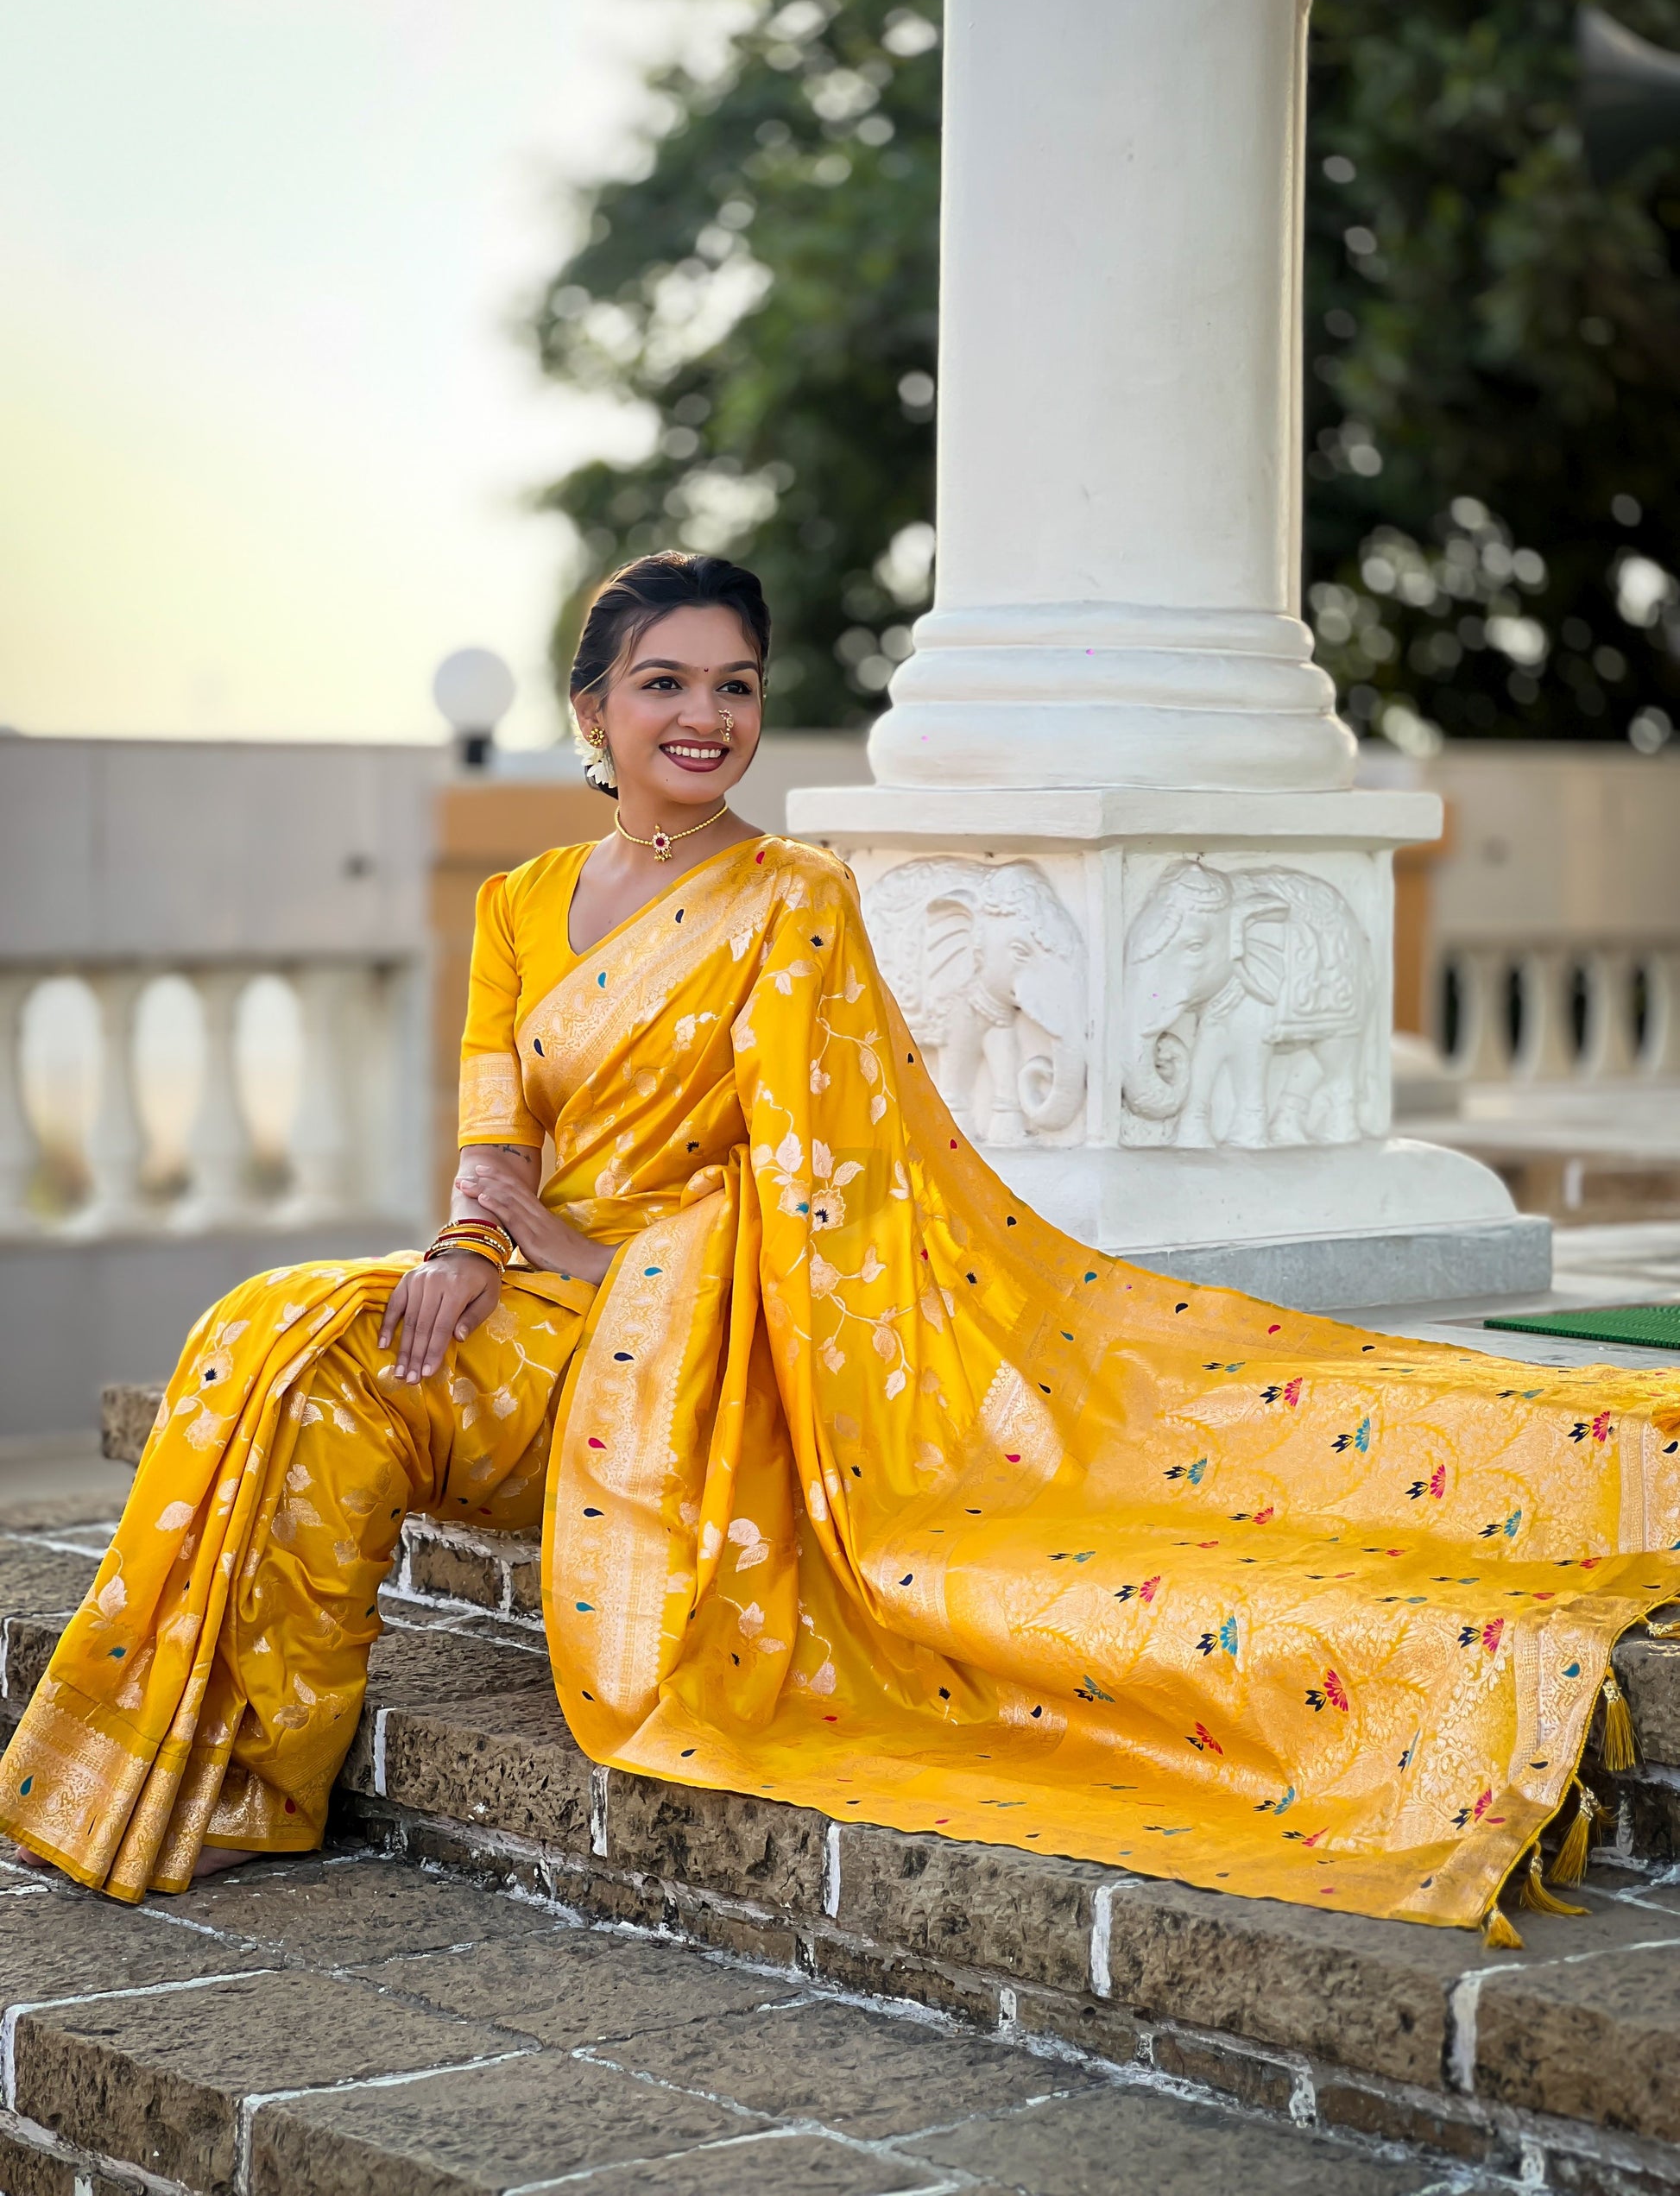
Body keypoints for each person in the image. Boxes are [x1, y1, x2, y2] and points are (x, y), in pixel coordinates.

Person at [5, 552, 1677, 1941]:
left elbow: (831, 1200)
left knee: (314, 1350)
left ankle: (234, 1777)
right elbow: (491, 1135)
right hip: (532, 1298)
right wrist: (465, 1244)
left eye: (733, 685)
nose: (705, 716)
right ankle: (219, 1768)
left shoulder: (795, 898)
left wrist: (590, 1260)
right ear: (591, 711)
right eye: (664, 682)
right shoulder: (521, 903)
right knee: (283, 1328)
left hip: (684, 1344)